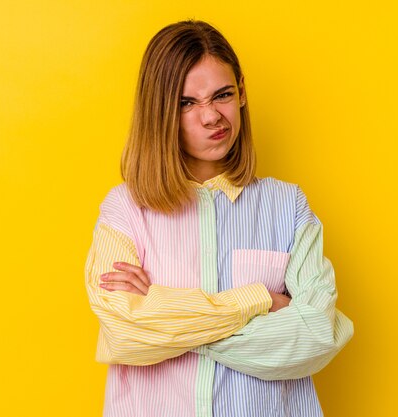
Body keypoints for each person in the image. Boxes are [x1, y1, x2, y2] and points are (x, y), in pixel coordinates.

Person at [85, 20, 354, 417]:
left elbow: (316, 335)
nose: (212, 117)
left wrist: (163, 317)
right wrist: (260, 300)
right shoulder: (125, 209)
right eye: (187, 103)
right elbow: (125, 333)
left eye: (222, 95)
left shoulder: (288, 206)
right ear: (160, 111)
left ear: (242, 92)